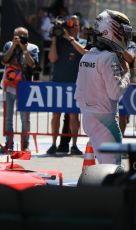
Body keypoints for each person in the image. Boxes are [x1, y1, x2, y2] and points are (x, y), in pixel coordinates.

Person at [75, 9, 132, 164]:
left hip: (88, 117)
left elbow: (78, 94)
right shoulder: (110, 57)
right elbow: (116, 93)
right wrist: (127, 74)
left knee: (99, 168)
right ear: (112, 31)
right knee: (112, 171)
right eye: (123, 32)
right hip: (106, 119)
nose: (126, 37)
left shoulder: (87, 55)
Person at [46, 15, 87, 155]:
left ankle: (74, 145)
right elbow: (52, 58)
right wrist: (54, 39)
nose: (73, 27)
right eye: (71, 25)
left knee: (74, 116)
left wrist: (70, 39)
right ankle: (53, 144)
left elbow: (85, 53)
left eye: (75, 25)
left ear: (78, 27)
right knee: (56, 115)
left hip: (75, 84)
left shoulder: (82, 41)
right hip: (58, 83)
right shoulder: (58, 42)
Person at [1, 27, 39, 151]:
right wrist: (13, 46)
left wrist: (24, 49)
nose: (21, 37)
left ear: (28, 36)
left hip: (25, 86)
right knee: (8, 117)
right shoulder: (9, 45)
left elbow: (32, 64)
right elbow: (4, 60)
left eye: (24, 35)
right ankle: (9, 143)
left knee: (25, 118)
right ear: (14, 35)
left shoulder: (33, 48)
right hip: (10, 85)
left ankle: (25, 144)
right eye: (18, 35)